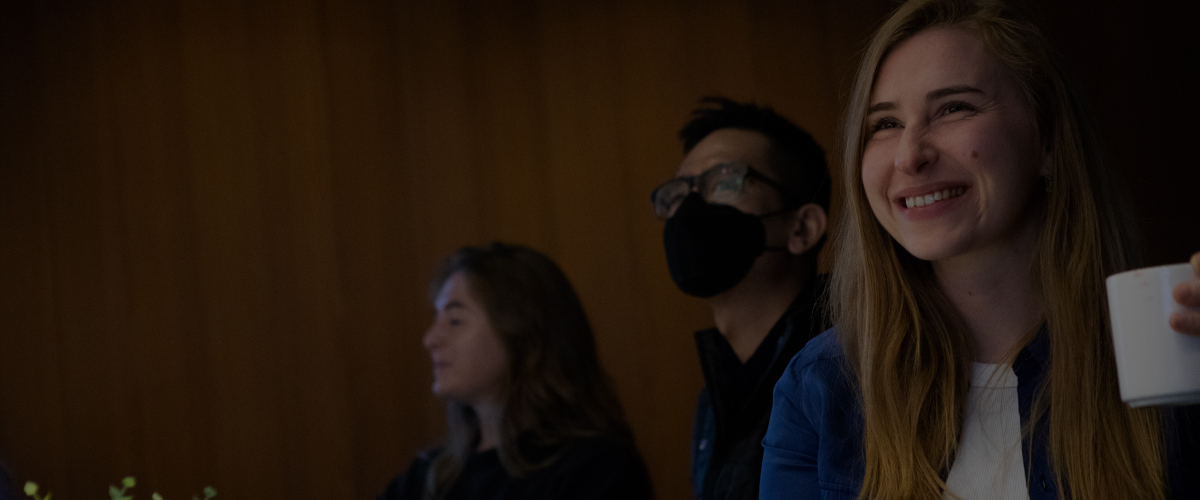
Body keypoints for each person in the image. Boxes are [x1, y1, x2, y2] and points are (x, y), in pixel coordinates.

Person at [760, 0, 1200, 499]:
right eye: (883, 124)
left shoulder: (1175, 349)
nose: (909, 155)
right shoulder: (819, 388)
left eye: (954, 108)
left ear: (1048, 140)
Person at [650, 97, 830, 500]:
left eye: (726, 180)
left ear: (802, 227)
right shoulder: (712, 403)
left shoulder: (843, 371)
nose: (689, 209)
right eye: (677, 194)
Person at [380, 243, 653, 500]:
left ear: (522, 333)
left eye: (454, 321)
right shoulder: (426, 476)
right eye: (436, 319)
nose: (430, 339)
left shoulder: (595, 469)